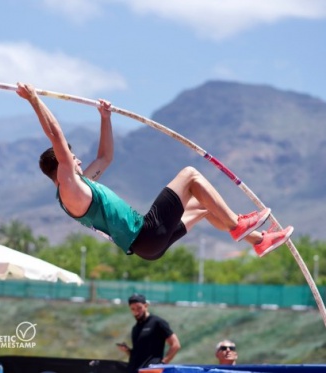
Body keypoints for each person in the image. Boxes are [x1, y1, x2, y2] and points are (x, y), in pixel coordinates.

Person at [15, 82, 294, 260]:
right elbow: (56, 135)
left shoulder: (81, 186)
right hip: (145, 234)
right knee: (190, 175)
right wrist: (34, 100)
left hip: (147, 245)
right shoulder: (70, 189)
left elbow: (105, 156)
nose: (78, 162)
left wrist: (105, 118)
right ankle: (238, 224)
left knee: (206, 204)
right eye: (73, 159)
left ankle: (258, 241)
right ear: (60, 168)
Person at [116, 294, 180, 372]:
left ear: (146, 306)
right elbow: (138, 354)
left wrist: (162, 364)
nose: (136, 312)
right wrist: (127, 350)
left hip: (149, 370)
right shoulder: (135, 328)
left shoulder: (157, 322)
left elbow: (175, 345)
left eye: (139, 308)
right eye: (133, 309)